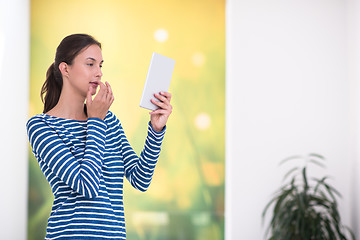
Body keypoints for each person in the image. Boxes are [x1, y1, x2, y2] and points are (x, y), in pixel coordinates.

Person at [26, 33, 172, 240]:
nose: (99, 73)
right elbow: (88, 185)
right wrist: (95, 121)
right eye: (90, 64)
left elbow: (140, 179)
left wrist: (155, 131)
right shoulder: (41, 126)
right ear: (65, 69)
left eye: (101, 65)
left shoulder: (108, 120)